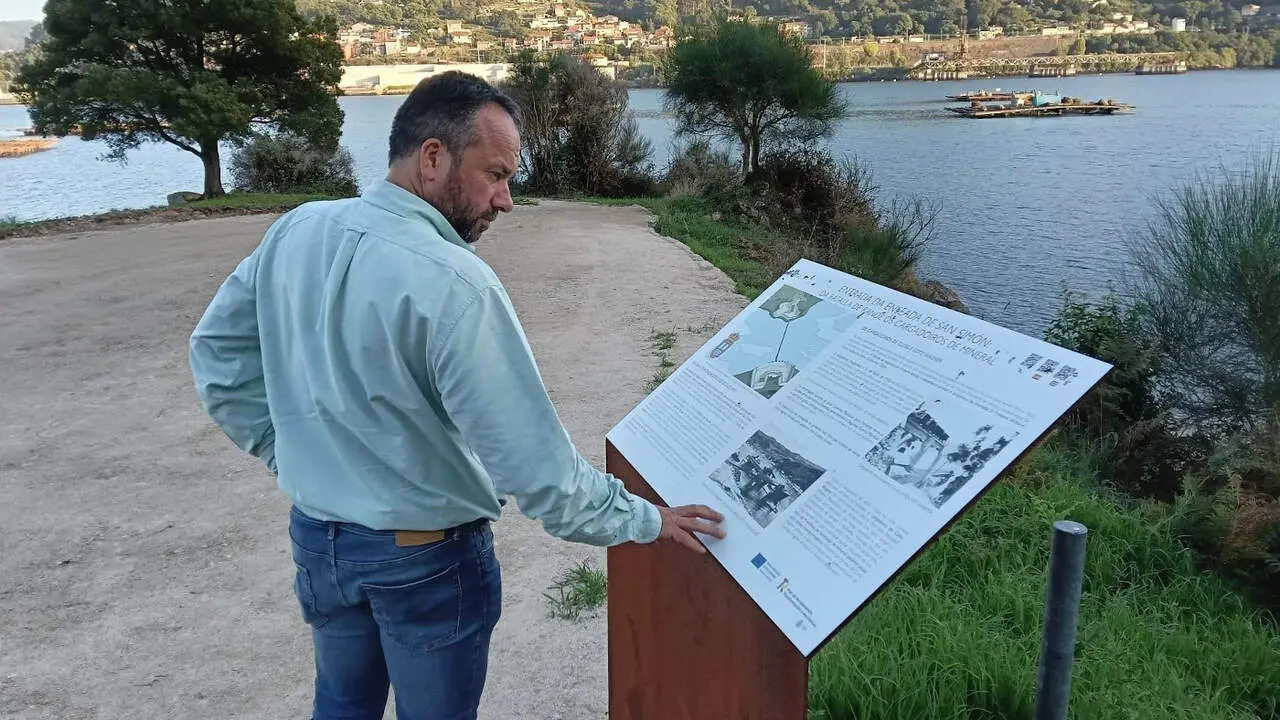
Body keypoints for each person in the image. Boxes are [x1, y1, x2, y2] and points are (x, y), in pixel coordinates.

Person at [188, 71, 726, 720]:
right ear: (433, 157)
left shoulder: (297, 229)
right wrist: (647, 520)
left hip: (317, 541)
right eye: (495, 175)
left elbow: (217, 359)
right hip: (426, 560)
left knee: (340, 706)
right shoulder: (456, 282)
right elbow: (540, 473)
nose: (506, 201)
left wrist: (288, 452)